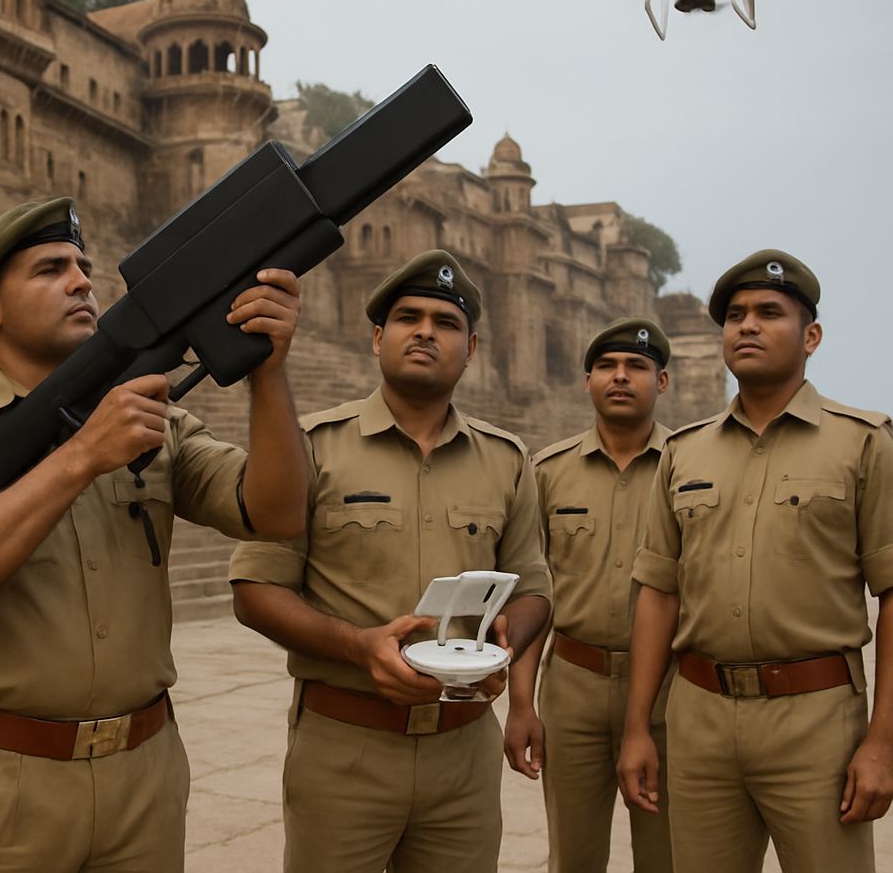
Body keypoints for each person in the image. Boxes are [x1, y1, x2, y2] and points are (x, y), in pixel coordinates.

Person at [0, 197, 309, 873]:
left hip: (144, 781)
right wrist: (81, 456)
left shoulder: (151, 419)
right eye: (51, 269)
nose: (82, 281)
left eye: (83, 266)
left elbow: (277, 514)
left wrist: (269, 372)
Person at [228, 249, 551, 873]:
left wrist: (509, 640)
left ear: (473, 348)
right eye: (408, 317)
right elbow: (255, 590)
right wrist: (356, 646)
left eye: (446, 322)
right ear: (378, 338)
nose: (426, 331)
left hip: (464, 753)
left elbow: (533, 585)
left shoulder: (508, 460)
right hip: (346, 746)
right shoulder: (310, 447)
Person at [617, 249, 893, 873]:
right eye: (735, 315)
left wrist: (883, 743)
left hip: (818, 720)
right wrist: (638, 727)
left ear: (811, 335)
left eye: (770, 312)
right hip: (700, 720)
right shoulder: (684, 454)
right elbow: (659, 594)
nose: (747, 325)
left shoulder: (864, 443)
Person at [504, 317, 675, 873]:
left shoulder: (691, 467)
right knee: (573, 856)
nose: (620, 377)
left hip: (672, 694)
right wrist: (522, 702)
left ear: (663, 382)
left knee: (668, 854)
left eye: (637, 367)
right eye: (606, 366)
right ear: (587, 381)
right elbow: (535, 593)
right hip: (573, 687)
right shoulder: (548, 471)